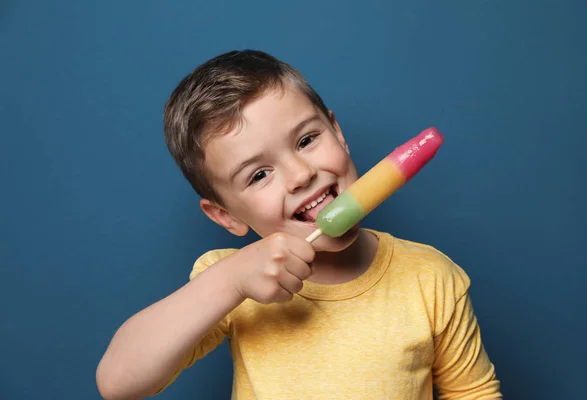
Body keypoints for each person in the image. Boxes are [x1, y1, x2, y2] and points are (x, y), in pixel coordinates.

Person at [96, 49, 502, 399]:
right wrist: (230, 281)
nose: (300, 175)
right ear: (226, 215)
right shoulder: (228, 284)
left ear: (337, 132)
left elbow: (474, 392)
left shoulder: (430, 278)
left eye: (307, 140)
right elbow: (118, 383)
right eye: (258, 175)